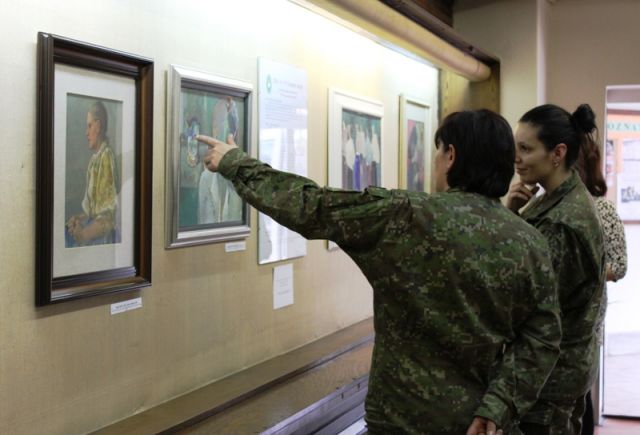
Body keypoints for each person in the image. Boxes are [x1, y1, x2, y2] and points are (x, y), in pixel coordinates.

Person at [198, 109, 562, 434]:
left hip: (402, 421)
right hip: (479, 422)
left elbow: (312, 206)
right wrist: (498, 405)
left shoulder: (404, 216)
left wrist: (236, 164)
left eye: (438, 152)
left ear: (451, 156)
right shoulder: (529, 242)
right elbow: (543, 339)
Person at [507, 104, 606, 434]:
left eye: (526, 148)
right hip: (556, 371)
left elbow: (533, 305)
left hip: (549, 379)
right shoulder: (555, 199)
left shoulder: (563, 221)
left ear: (558, 153)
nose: (516, 158)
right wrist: (513, 213)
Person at [575, 124, 628, 435]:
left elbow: (618, 266)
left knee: (580, 400)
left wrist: (579, 270)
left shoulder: (602, 208)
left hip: (584, 321)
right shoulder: (539, 206)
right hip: (546, 325)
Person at [66, 100, 118, 246]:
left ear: (98, 126)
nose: (86, 132)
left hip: (102, 240)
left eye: (89, 126)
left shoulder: (106, 157)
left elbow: (108, 217)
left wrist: (83, 234)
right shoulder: (93, 161)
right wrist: (78, 219)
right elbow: (93, 212)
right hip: (93, 232)